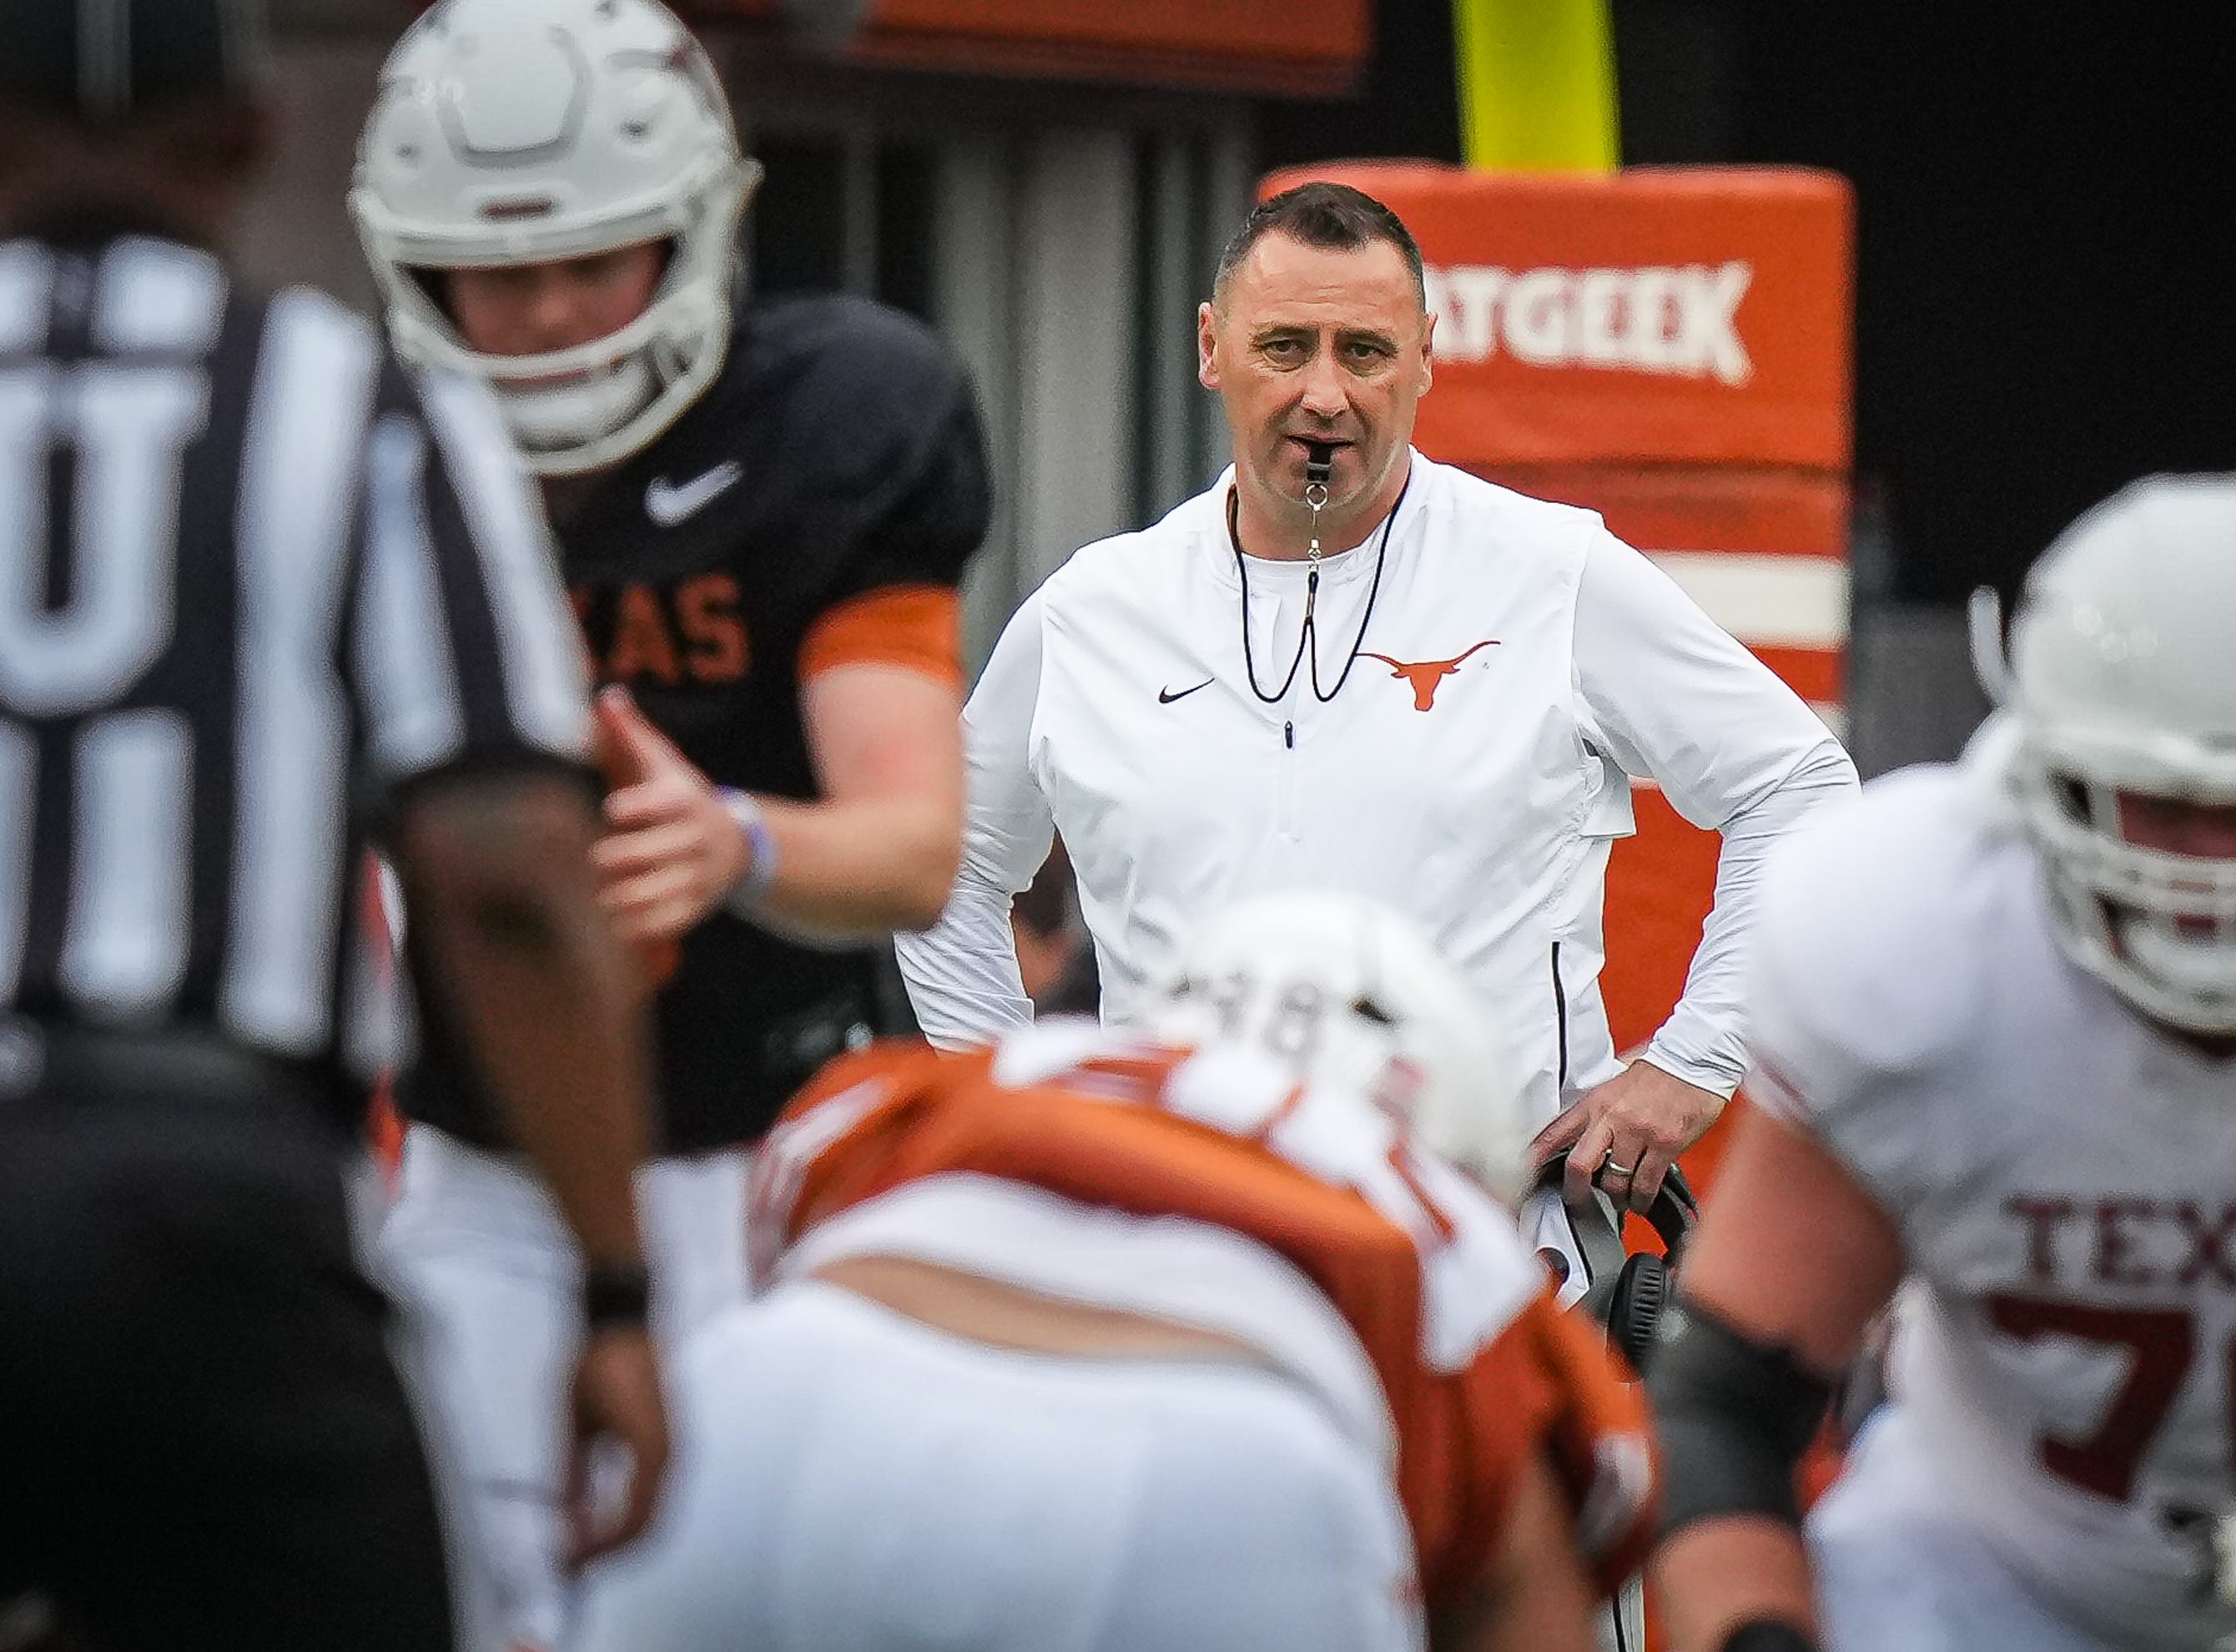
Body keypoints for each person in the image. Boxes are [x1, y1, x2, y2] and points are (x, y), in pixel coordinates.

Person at [0, 4, 663, 1649]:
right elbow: (504, 874)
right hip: (225, 1207)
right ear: (250, 136)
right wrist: (617, 1290)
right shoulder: (360, 405)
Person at [348, 0, 990, 1642]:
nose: (553, 315)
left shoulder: (832, 417)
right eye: (502, 271)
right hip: (485, 1174)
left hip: (779, 1151)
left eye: (600, 256)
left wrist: (733, 844)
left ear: (698, 226)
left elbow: (910, 850)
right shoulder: (352, 451)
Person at [895, 179, 1856, 1260]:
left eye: (1363, 351)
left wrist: (1698, 1058)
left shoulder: (1552, 572)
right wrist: (1012, 1110)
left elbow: (1800, 790)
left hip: (1491, 1250)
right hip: (1178, 1250)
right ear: (1211, 348)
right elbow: (946, 868)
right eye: (1284, 347)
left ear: (1427, 357)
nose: (1323, 393)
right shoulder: (1091, 611)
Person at [1649, 474, 2236, 1652]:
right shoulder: (1919, 936)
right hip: (1986, 1574)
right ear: (2052, 780)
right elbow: (1725, 1403)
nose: (2215, 870)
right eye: (2159, 804)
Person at [573, 891, 1663, 1652]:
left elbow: (795, 1189)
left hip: (778, 1405)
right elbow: (1595, 1505)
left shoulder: (985, 1084)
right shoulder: (1428, 1225)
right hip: (1212, 1479)